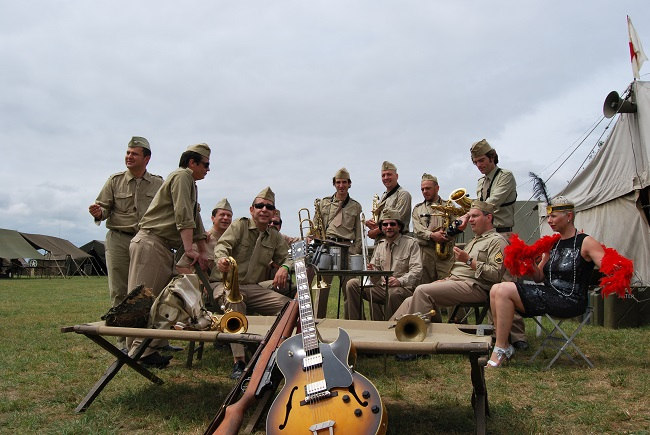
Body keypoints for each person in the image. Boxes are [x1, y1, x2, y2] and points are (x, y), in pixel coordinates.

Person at [488, 197, 607, 367]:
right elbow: (539, 278)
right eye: (548, 217)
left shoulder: (585, 242)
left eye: (554, 216)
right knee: (495, 289)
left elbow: (607, 265)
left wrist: (618, 270)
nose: (549, 221)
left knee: (504, 290)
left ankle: (501, 349)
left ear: (569, 216)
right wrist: (528, 262)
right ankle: (502, 344)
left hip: (571, 299)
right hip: (550, 293)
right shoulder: (553, 244)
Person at [126, 143, 212, 368]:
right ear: (192, 162)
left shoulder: (190, 183)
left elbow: (196, 219)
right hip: (152, 242)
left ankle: (146, 350)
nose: (208, 169)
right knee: (142, 299)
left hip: (162, 247)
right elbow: (182, 212)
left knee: (159, 301)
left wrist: (203, 251)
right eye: (205, 164)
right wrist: (190, 249)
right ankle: (136, 352)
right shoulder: (182, 175)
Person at [88, 136, 163, 351]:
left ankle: (156, 342)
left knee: (151, 292)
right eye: (128, 153)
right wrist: (98, 212)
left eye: (134, 154)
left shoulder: (159, 183)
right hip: (119, 239)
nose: (129, 157)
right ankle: (123, 343)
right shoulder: (114, 180)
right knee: (120, 292)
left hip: (148, 241)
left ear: (146, 158)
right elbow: (103, 208)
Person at [211, 187, 292, 379]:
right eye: (259, 205)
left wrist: (285, 268)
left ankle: (276, 354)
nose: (264, 209)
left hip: (253, 287)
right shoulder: (240, 225)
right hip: (225, 283)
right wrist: (222, 259)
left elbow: (289, 258)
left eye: (269, 207)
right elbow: (222, 245)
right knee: (234, 300)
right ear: (251, 209)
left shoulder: (274, 236)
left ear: (273, 212)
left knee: (289, 307)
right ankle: (239, 361)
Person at [391, 201, 508, 325]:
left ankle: (413, 335)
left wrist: (469, 260)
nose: (470, 220)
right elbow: (461, 269)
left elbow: (496, 275)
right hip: (457, 281)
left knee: (422, 291)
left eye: (475, 216)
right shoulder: (474, 240)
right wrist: (447, 279)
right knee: (411, 299)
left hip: (476, 287)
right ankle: (386, 334)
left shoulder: (497, 241)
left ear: (488, 217)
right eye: (470, 217)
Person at [464, 138, 528, 349]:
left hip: (503, 235)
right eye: (476, 162)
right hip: (485, 237)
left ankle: (517, 336)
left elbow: (490, 204)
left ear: (492, 157)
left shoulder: (505, 176)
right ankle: (497, 332)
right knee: (490, 283)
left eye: (482, 160)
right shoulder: (481, 183)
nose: (479, 165)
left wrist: (467, 214)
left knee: (508, 283)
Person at [346, 208, 422, 321]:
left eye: (392, 224)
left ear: (399, 227)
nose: (389, 227)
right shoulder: (380, 245)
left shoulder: (411, 243)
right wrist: (372, 271)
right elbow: (375, 273)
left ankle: (391, 326)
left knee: (394, 293)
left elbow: (417, 270)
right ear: (381, 228)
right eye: (385, 224)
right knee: (352, 284)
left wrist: (399, 281)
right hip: (382, 288)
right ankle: (357, 323)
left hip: (403, 289)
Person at [313, 168, 364, 317]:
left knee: (350, 289)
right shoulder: (324, 203)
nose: (341, 185)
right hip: (327, 248)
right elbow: (315, 226)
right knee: (322, 291)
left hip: (347, 249)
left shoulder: (356, 206)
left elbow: (359, 233)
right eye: (338, 182)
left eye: (344, 182)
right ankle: (318, 321)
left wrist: (355, 251)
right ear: (334, 184)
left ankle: (351, 322)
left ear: (349, 184)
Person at [412, 173, 455, 284]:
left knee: (446, 286)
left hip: (445, 253)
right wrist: (432, 235)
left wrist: (446, 234)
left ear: (437, 188)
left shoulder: (449, 206)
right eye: (422, 189)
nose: (425, 191)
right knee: (424, 287)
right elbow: (417, 229)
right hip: (425, 254)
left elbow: (456, 225)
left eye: (428, 188)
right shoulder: (418, 209)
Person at [176, 197, 233, 274]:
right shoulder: (202, 241)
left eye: (229, 216)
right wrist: (199, 283)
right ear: (213, 218)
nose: (226, 218)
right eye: (222, 215)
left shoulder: (233, 242)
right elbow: (181, 267)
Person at [365, 161, 412, 239]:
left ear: (396, 176)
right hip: (383, 242)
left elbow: (397, 221)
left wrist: (374, 232)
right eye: (383, 175)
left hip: (398, 242)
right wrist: (370, 223)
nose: (386, 178)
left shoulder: (403, 194)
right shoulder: (384, 196)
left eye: (389, 174)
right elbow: (382, 220)